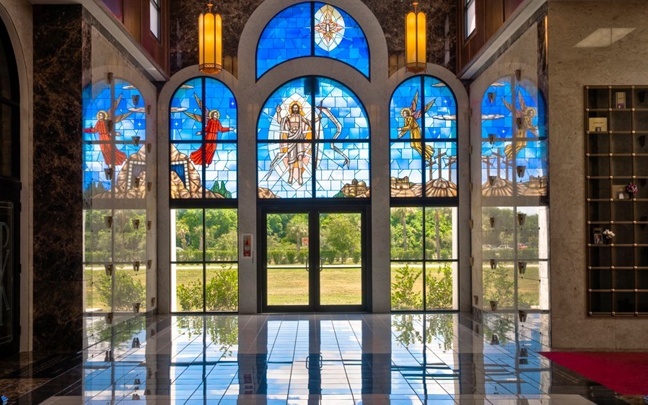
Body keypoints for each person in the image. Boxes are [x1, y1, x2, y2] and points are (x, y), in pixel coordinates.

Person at [275, 102, 312, 185]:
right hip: (291, 139)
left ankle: (300, 177)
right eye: (294, 108)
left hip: (299, 139)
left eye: (296, 108)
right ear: (292, 109)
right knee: (291, 160)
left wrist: (318, 118)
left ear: (299, 109)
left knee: (300, 158)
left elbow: (310, 123)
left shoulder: (301, 117)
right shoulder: (288, 117)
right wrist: (278, 112)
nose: (295, 109)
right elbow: (280, 121)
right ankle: (290, 176)